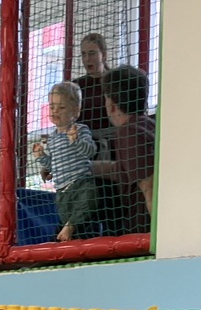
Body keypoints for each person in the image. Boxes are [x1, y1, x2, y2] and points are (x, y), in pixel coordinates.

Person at [32, 80, 98, 241]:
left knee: (88, 200)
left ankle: (70, 226)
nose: (55, 111)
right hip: (62, 190)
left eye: (61, 107)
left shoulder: (80, 130)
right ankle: (68, 229)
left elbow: (90, 151)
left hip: (80, 183)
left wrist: (75, 141)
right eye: (52, 106)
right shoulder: (52, 138)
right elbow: (53, 165)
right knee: (66, 215)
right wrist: (42, 157)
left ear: (75, 111)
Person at [101, 65, 156, 233]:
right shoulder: (148, 125)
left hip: (143, 234)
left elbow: (149, 187)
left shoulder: (129, 133)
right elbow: (123, 169)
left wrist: (162, 238)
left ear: (112, 105)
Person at [74, 33, 111, 136]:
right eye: (83, 54)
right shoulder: (76, 86)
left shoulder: (115, 81)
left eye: (92, 53)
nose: (87, 59)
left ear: (104, 55)